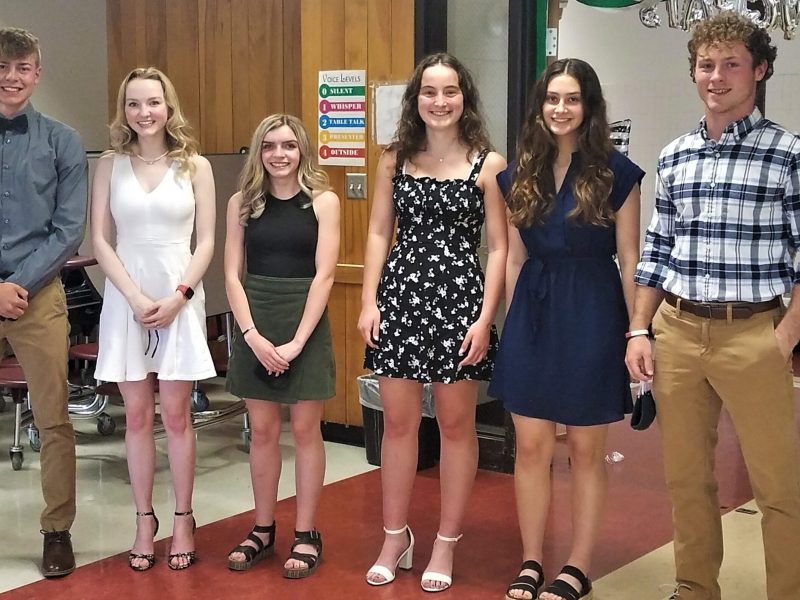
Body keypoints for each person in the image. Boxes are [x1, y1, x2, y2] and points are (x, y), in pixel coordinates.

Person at [625, 12, 800, 600]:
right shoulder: (675, 156)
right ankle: (695, 588)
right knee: (687, 480)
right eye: (706, 65)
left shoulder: (787, 154)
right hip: (677, 331)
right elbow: (657, 249)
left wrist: (785, 335)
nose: (716, 76)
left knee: (779, 489)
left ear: (760, 70)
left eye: (731, 64)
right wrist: (639, 329)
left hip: (754, 334)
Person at [489, 58, 643, 600]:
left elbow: (630, 257)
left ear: (589, 106)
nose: (561, 108)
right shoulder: (518, 174)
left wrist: (637, 331)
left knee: (584, 448)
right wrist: (514, 327)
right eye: (553, 98)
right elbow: (513, 258)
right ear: (540, 107)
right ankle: (532, 559)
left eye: (572, 99)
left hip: (593, 311)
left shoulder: (617, 173)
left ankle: (577, 566)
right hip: (532, 312)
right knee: (531, 447)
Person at [358, 53, 508, 593]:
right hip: (400, 298)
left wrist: (486, 318)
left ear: (464, 97)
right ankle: (394, 536)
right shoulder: (394, 158)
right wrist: (369, 300)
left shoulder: (489, 163)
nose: (439, 102)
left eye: (449, 92)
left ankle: (446, 540)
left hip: (460, 302)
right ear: (415, 99)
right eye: (429, 92)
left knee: (455, 426)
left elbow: (499, 247)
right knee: (398, 425)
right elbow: (379, 232)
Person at [91, 67, 217, 571]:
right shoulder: (109, 164)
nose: (144, 112)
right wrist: (134, 296)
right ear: (124, 111)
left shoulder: (196, 165)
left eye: (153, 102)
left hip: (179, 297)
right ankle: (144, 520)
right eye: (134, 103)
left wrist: (178, 297)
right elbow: (100, 240)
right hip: (126, 300)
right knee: (138, 417)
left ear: (169, 107)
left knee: (178, 416)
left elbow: (206, 242)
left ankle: (184, 518)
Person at [224, 114, 338, 578]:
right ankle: (263, 528)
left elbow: (325, 275)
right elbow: (232, 274)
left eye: (288, 145)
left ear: (302, 150)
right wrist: (252, 336)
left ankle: (307, 532)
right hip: (257, 318)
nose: (279, 154)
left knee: (306, 430)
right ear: (259, 152)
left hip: (304, 319)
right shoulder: (241, 203)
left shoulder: (324, 201)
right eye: (269, 146)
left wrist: (296, 342)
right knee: (263, 430)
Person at [0, 27, 87, 578]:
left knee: (53, 419)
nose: (11, 77)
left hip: (39, 296)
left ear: (37, 73)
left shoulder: (63, 141)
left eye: (22, 67)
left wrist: (18, 285)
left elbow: (68, 229)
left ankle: (57, 530)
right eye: (2, 67)